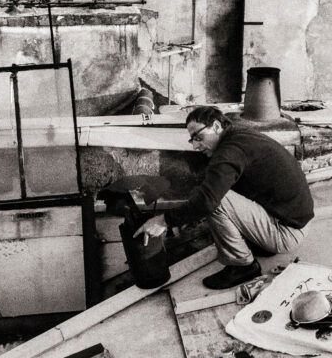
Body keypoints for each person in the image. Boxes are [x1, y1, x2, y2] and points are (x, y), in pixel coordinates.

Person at [134, 106, 314, 289]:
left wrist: (163, 221)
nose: (195, 146)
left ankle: (242, 265)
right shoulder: (238, 134)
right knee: (211, 190)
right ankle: (261, 244)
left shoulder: (230, 152)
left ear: (217, 126)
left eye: (198, 137)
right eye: (192, 140)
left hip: (287, 232)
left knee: (214, 201)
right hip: (293, 220)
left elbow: (207, 201)